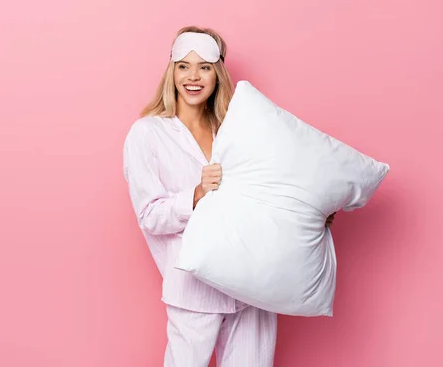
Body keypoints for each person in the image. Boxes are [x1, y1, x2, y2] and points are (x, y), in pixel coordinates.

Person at [123, 26, 335, 367]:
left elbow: (269, 189)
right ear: (171, 70)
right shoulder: (147, 134)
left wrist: (311, 208)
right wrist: (196, 194)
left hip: (252, 283)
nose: (193, 77)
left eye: (204, 67)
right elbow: (150, 216)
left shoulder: (237, 128)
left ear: (218, 73)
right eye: (183, 66)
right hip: (194, 289)